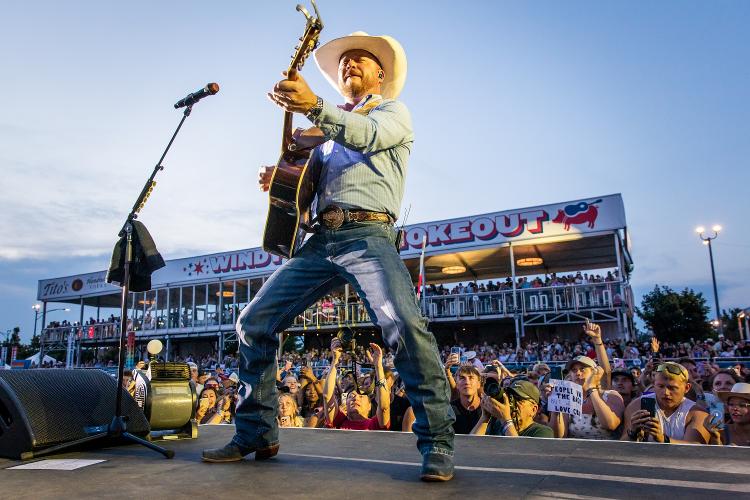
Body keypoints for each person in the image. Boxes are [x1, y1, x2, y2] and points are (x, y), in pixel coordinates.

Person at [202, 31, 455, 481]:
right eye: (344, 62)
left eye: (360, 59)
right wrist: (281, 176)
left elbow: (366, 134)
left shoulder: (393, 112)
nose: (350, 64)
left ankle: (437, 442)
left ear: (381, 74)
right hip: (321, 239)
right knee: (252, 323)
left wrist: (315, 105)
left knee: (405, 327)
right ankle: (257, 431)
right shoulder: (323, 138)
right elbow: (303, 187)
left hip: (370, 234)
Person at [621, 362, 709, 444]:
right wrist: (632, 433)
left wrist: (663, 439)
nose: (666, 392)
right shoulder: (637, 405)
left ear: (687, 388)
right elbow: (621, 447)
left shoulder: (697, 413)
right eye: (660, 386)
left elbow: (696, 448)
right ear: (654, 385)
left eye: (672, 388)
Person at [549, 355, 624, 439]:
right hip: (574, 450)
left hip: (606, 450)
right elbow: (559, 436)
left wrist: (591, 388)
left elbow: (611, 425)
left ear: (594, 372)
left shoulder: (611, 395)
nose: (577, 373)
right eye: (574, 370)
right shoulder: (567, 399)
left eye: (582, 369)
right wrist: (556, 411)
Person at [323, 338, 390, 431]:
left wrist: (378, 367)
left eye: (361, 396)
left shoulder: (375, 424)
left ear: (369, 406)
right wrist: (335, 360)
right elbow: (327, 397)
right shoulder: (338, 421)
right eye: (351, 396)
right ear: (345, 403)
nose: (355, 398)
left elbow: (384, 406)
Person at [472, 379, 554, 438]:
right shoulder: (498, 424)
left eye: (518, 399)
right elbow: (470, 447)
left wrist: (506, 420)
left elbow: (519, 456)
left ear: (533, 409)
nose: (511, 403)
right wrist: (485, 417)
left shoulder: (542, 432)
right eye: (510, 398)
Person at [450, 366, 483, 434]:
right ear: (457, 384)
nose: (467, 382)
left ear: (478, 384)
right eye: (462, 378)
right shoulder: (449, 410)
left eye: (471, 378)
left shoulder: (490, 407)